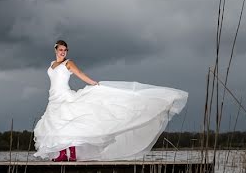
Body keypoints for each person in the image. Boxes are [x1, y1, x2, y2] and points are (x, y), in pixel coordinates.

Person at [33, 40, 188, 161]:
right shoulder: (52, 64)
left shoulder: (68, 63)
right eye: (60, 50)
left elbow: (79, 73)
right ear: (55, 50)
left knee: (70, 123)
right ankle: (62, 153)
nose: (63, 52)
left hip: (65, 96)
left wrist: (92, 82)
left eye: (65, 50)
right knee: (57, 125)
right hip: (53, 98)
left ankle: (71, 153)